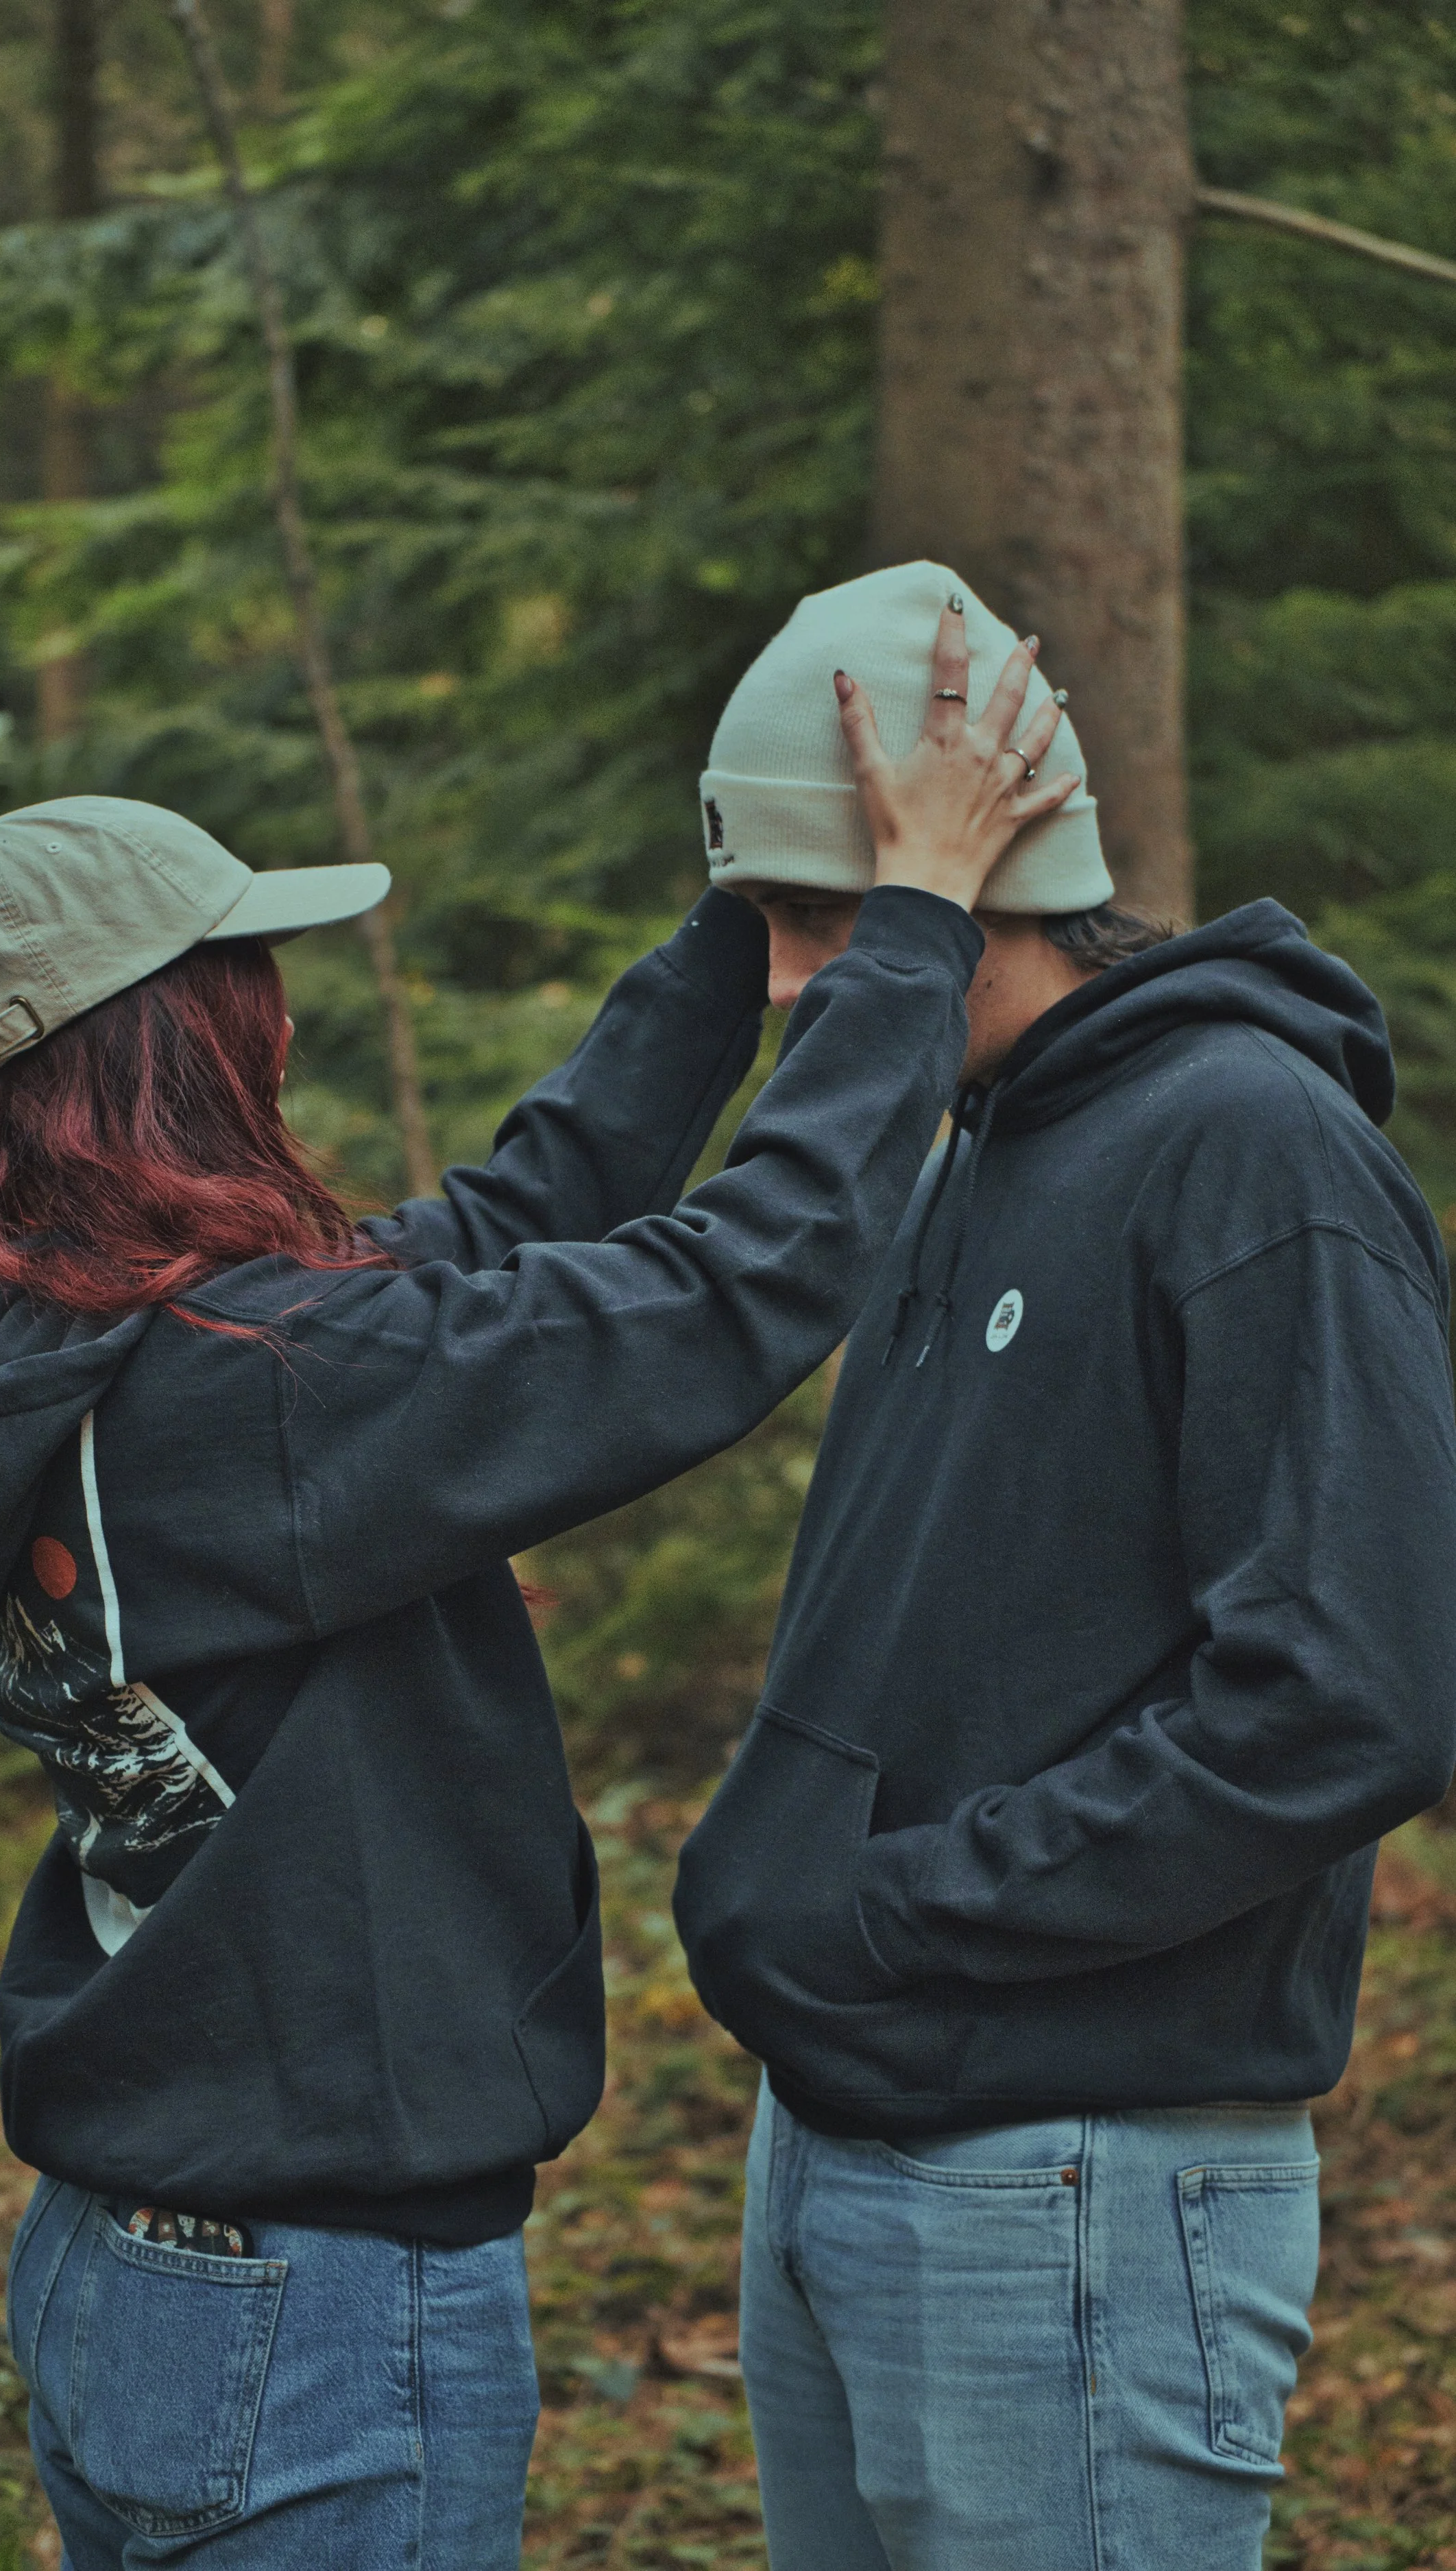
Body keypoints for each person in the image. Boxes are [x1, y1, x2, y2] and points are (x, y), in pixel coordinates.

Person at [0, 651, 1071, 2571]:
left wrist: (741, 929)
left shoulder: (42, 1346)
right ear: (175, 1044)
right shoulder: (257, 1387)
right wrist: (913, 922)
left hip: (137, 2267)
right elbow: (732, 1289)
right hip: (310, 2315)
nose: (278, 1016)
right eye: (245, 981)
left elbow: (518, 1216)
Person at [673, 559, 1456, 2571]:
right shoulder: (974, 1142)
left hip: (1078, 2185)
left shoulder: (1252, 1144)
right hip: (854, 2135)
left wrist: (890, 1913)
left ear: (981, 874)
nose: (789, 985)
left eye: (817, 913)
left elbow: (1350, 1689)